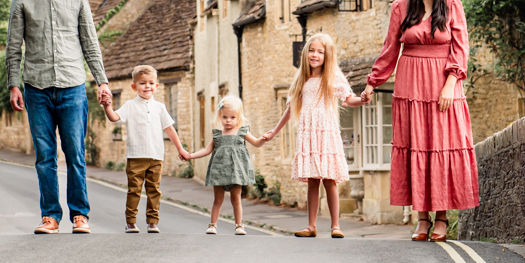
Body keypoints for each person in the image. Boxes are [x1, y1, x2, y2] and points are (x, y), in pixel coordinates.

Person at [361, 0, 479, 242]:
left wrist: (451, 83)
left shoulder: (453, 6)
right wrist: (371, 83)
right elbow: (390, 49)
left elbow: (461, 50)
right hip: (410, 85)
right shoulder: (400, 7)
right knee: (416, 148)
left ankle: (442, 218)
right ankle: (422, 219)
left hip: (443, 85)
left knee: (441, 146)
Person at [6, 0, 112, 235]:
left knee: (76, 154)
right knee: (45, 156)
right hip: (36, 88)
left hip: (73, 87)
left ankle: (80, 216)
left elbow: (90, 42)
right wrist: (14, 84)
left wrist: (101, 80)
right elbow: (14, 46)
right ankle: (50, 216)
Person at [263, 33, 369, 238]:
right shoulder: (302, 79)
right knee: (312, 180)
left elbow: (349, 98)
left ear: (327, 55)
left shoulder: (333, 77)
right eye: (311, 50)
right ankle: (311, 226)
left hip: (326, 133)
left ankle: (335, 226)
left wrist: (362, 100)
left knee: (329, 180)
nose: (315, 55)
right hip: (308, 135)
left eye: (320, 52)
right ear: (305, 53)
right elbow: (291, 109)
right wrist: (275, 131)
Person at [102, 65, 189, 233]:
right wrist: (107, 106)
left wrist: (181, 149)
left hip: (156, 156)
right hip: (136, 156)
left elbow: (170, 129)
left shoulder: (160, 107)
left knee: (154, 191)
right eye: (142, 83)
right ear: (134, 87)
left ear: (156, 86)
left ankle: (152, 222)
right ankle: (131, 222)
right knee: (134, 190)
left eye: (151, 83)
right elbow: (114, 117)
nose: (147, 86)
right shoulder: (129, 105)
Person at [185, 95, 267, 235]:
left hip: (236, 171)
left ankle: (239, 226)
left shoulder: (242, 132)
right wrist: (190, 155)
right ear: (220, 116)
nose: (228, 120)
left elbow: (256, 143)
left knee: (236, 199)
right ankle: (212, 225)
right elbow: (206, 150)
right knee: (218, 199)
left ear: (239, 117)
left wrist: (264, 139)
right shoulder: (218, 135)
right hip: (219, 171)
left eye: (232, 117)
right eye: (225, 117)